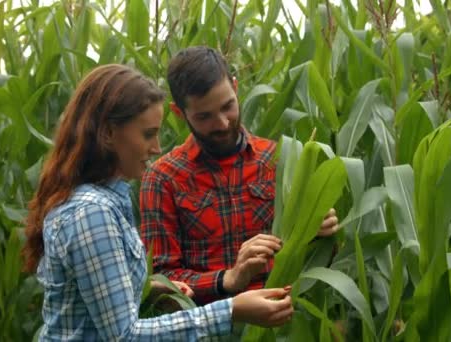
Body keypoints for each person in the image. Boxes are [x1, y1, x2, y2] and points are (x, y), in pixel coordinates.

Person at [21, 64, 294, 341]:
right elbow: (124, 336)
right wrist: (231, 310)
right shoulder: (92, 212)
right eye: (148, 134)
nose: (156, 147)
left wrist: (148, 287)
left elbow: (94, 299)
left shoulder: (101, 202)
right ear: (108, 133)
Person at [139, 46, 339, 305]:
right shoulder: (162, 179)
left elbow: (311, 255)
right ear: (179, 113)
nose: (222, 123)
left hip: (284, 321)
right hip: (209, 327)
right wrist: (229, 279)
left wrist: (318, 228)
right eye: (204, 116)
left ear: (235, 88)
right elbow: (162, 278)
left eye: (228, 107)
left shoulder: (280, 159)